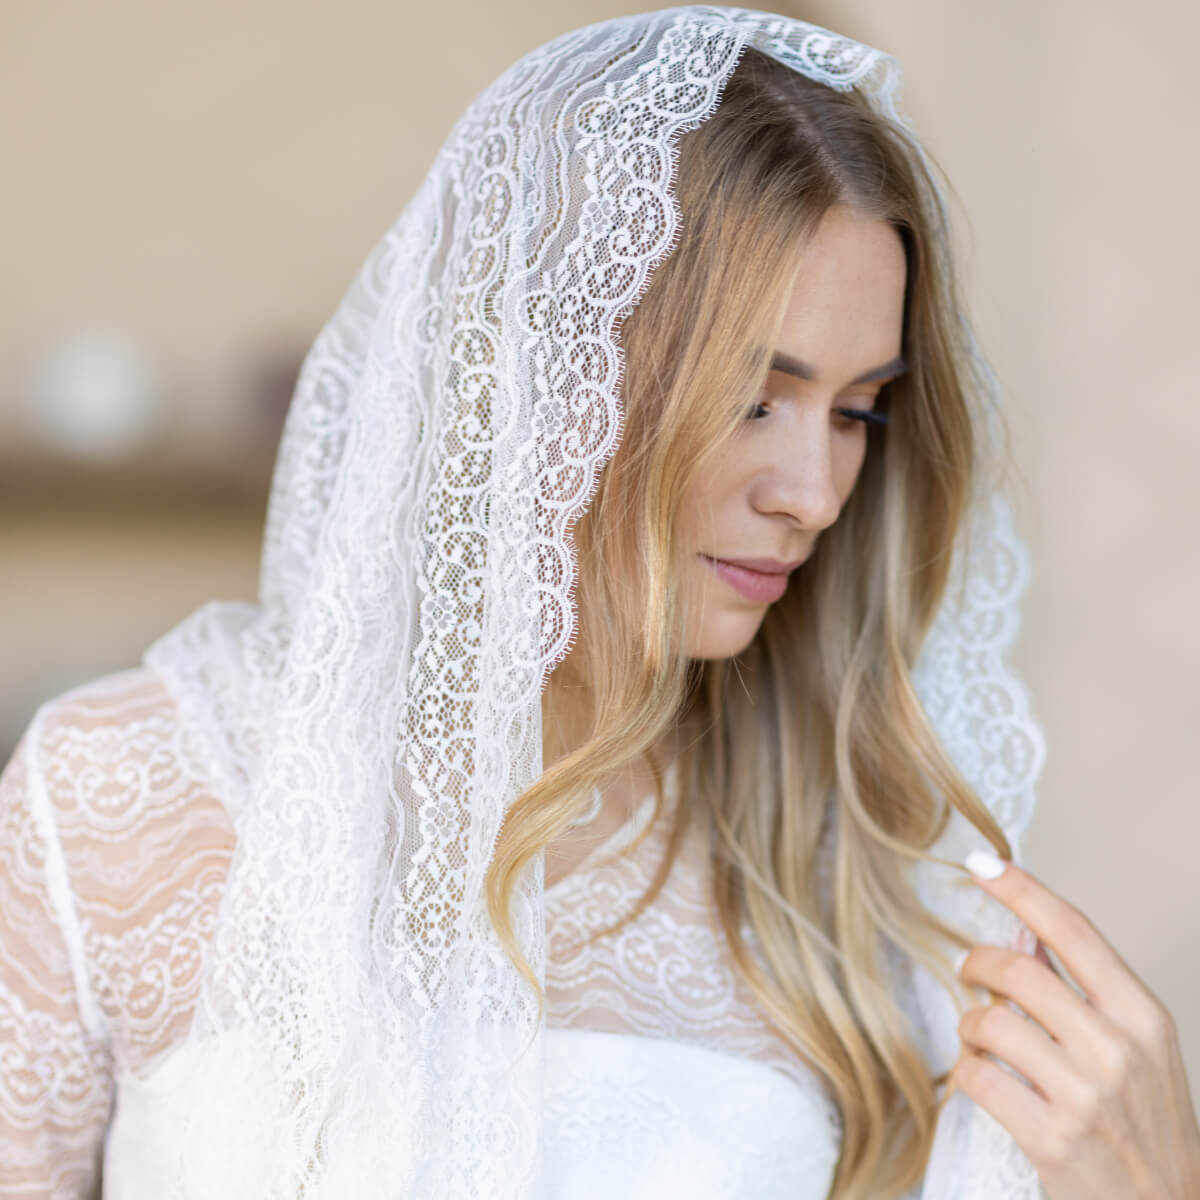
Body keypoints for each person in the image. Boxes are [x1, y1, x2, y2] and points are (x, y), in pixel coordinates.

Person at [2, 7, 1198, 1199]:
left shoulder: (858, 891)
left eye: (857, 413)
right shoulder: (117, 799)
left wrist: (1154, 1188)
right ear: (539, 375)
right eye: (751, 395)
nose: (818, 493)